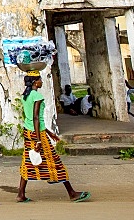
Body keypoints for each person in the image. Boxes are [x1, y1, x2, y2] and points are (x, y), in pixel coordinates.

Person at [16, 71, 90, 203]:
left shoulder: (25, 96)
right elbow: (36, 118)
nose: (41, 82)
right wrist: (39, 140)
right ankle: (72, 193)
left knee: (28, 162)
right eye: (40, 79)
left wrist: (50, 133)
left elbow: (33, 119)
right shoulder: (37, 96)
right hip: (37, 134)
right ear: (35, 82)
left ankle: (21, 194)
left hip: (29, 132)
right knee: (55, 161)